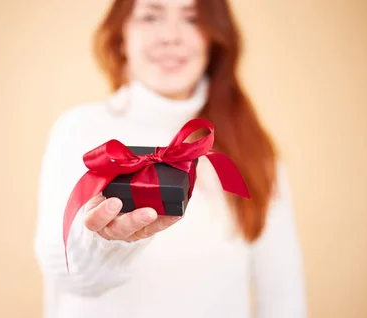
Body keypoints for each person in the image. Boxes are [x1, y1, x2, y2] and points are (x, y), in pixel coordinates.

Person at [34, 0, 307, 317]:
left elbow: (282, 294)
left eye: (192, 19)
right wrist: (105, 244)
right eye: (151, 17)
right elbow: (60, 271)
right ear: (121, 36)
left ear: (215, 38)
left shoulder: (249, 145)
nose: (171, 36)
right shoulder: (80, 129)